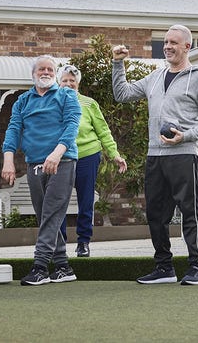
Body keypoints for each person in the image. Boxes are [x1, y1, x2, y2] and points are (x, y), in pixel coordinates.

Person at [112, 25, 198, 286]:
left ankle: (197, 268)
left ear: (187, 46)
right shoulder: (154, 77)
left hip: (184, 156)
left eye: (174, 42)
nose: (168, 47)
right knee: (155, 215)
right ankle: (164, 267)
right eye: (165, 42)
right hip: (155, 156)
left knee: (190, 212)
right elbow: (122, 94)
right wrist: (118, 64)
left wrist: (185, 136)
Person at [2, 55, 82, 285]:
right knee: (46, 216)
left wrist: (56, 154)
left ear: (55, 74)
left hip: (62, 161)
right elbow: (13, 129)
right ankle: (63, 266)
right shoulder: (23, 101)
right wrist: (8, 160)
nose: (45, 72)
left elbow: (72, 125)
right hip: (34, 164)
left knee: (51, 213)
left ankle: (40, 267)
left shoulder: (67, 95)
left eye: (50, 69)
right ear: (33, 74)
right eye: (41, 69)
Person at [57, 64, 127, 257]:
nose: (68, 84)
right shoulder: (52, 103)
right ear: (58, 83)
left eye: (72, 81)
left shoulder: (89, 104)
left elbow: (103, 131)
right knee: (58, 201)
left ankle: (83, 242)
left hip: (87, 155)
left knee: (86, 200)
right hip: (61, 158)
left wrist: (114, 154)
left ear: (78, 84)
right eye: (65, 80)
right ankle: (58, 243)